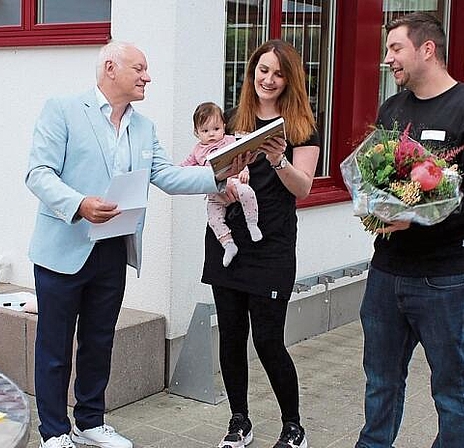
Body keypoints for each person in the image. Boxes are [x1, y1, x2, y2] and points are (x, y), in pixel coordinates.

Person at [25, 41, 252, 448]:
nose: (148, 76)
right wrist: (79, 204)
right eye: (140, 68)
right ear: (111, 68)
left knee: (99, 340)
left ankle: (90, 422)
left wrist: (219, 177)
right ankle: (54, 433)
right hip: (63, 248)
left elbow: (166, 175)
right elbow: (38, 173)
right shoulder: (62, 109)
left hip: (113, 246)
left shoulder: (143, 127)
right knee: (55, 347)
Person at [355, 12, 464, 448]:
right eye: (387, 50)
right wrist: (374, 202)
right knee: (380, 381)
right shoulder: (392, 109)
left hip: (446, 278)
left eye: (395, 48)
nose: (388, 59)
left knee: (450, 387)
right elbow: (376, 173)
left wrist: (419, 213)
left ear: (427, 49)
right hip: (387, 272)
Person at [201, 39, 320, 448]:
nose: (268, 79)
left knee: (268, 340)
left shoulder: (302, 127)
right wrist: (222, 178)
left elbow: (302, 188)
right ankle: (239, 422)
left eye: (278, 72)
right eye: (263, 70)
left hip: (271, 247)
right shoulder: (232, 119)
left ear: (291, 79)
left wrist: (278, 159)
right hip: (228, 241)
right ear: (252, 72)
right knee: (231, 336)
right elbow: (210, 170)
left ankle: (293, 426)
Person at [180, 102, 262, 267]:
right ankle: (228, 244)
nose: (211, 134)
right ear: (196, 132)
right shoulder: (197, 151)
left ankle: (252, 223)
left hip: (234, 181)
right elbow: (183, 168)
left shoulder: (230, 141)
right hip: (214, 193)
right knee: (214, 219)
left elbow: (242, 154)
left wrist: (244, 170)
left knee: (247, 192)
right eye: (205, 131)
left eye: (216, 129)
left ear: (224, 126)